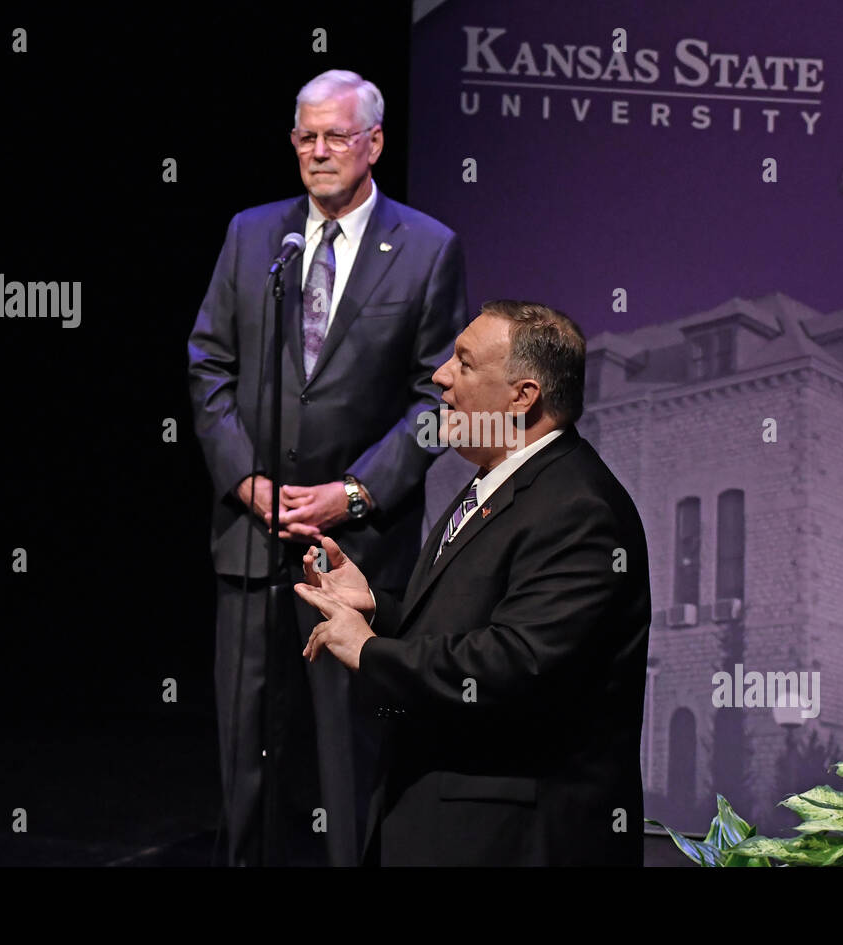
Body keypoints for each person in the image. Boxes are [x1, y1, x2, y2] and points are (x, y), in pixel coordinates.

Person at [187, 69, 467, 866]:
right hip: (251, 537)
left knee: (351, 759)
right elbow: (207, 364)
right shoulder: (254, 236)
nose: (317, 152)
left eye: (335, 136)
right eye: (304, 136)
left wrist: (353, 493)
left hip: (354, 552)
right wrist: (247, 480)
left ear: (373, 143)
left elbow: (439, 397)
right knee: (245, 760)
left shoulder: (427, 248)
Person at [293, 300, 651, 865]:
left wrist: (369, 651)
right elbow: (476, 622)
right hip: (447, 825)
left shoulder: (579, 508)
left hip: (510, 841)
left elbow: (517, 663)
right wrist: (379, 610)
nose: (439, 376)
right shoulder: (499, 482)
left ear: (522, 396)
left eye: (463, 362)